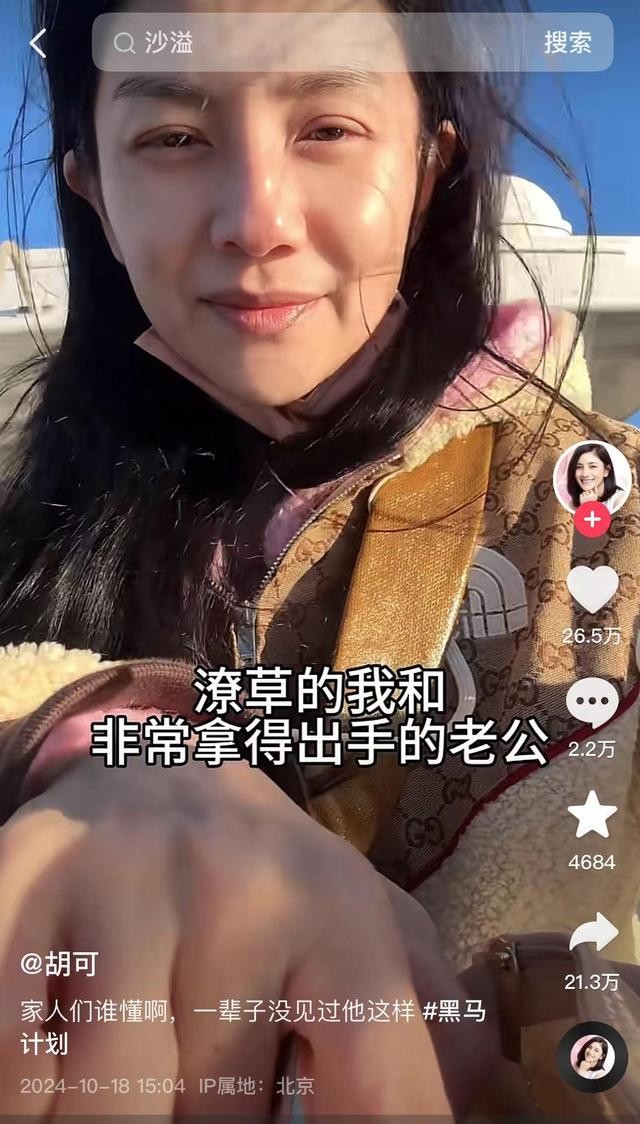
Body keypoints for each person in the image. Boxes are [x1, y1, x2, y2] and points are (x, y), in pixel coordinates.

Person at [0, 0, 639, 1117]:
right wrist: (93, 740)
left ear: (429, 166)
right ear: (93, 192)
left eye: (329, 128)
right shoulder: (30, 527)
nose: (257, 220)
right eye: (174, 138)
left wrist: (543, 1028)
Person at [565, 442, 626, 512]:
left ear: (606, 470)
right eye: (579, 467)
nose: (585, 474)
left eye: (592, 466)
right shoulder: (573, 503)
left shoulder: (620, 499)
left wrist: (589, 506)